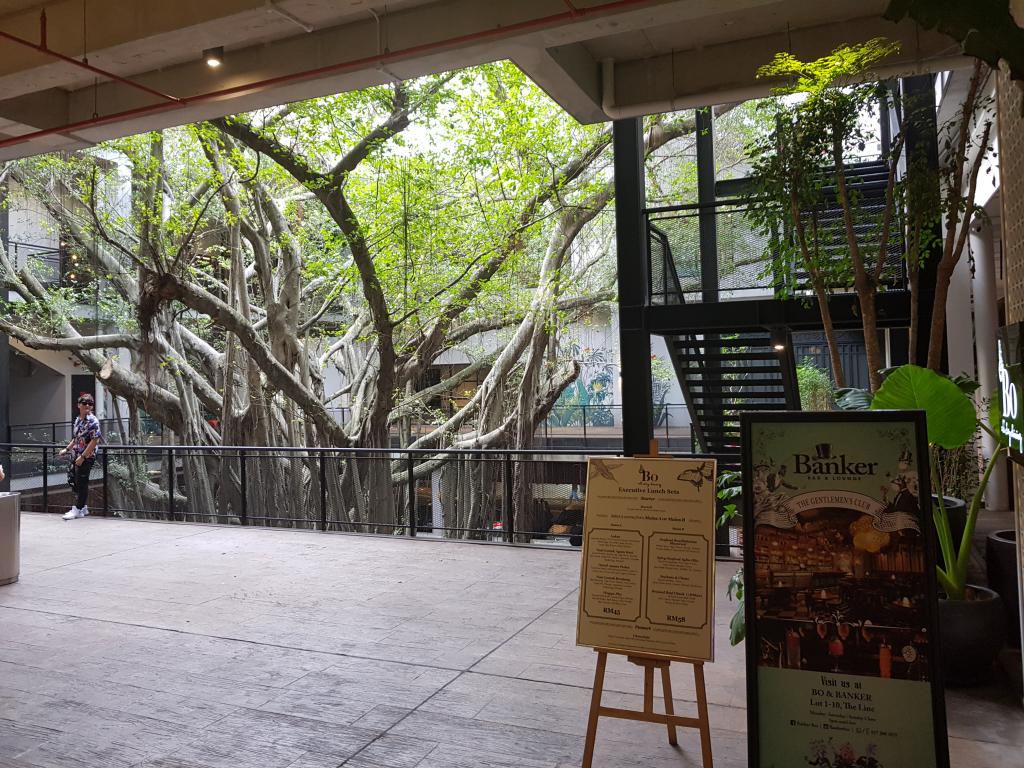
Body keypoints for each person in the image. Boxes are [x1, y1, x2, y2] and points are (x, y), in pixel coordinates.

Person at [59, 394, 102, 520]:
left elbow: (95, 441)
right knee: (73, 479)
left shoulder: (93, 421)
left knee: (82, 482)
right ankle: (82, 507)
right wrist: (67, 449)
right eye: (84, 403)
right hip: (76, 454)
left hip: (86, 456)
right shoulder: (78, 420)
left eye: (90, 403)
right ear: (79, 405)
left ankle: (78, 509)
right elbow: (76, 438)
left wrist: (83, 457)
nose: (87, 405)